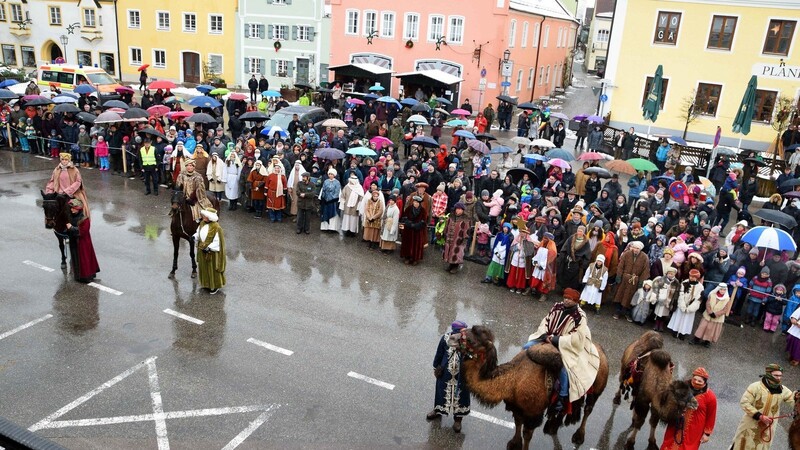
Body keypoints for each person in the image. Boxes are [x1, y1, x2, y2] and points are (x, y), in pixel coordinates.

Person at [523, 288, 601, 412]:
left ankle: (562, 396)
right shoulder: (556, 306)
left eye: (570, 299)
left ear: (576, 301)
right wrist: (544, 335)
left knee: (564, 369)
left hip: (564, 346)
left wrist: (555, 340)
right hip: (546, 338)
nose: (566, 300)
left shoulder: (579, 317)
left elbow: (577, 338)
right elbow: (545, 321)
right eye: (565, 297)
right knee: (526, 347)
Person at [731, 364, 799, 450]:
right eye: (776, 375)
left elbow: (793, 401)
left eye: (780, 376)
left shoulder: (783, 390)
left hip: (767, 429)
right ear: (768, 374)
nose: (779, 378)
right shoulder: (755, 387)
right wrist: (759, 416)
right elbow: (744, 403)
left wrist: (797, 397)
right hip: (749, 425)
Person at [426, 320, 471, 433]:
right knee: (441, 391)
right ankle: (438, 410)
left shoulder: (468, 342)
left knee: (461, 397)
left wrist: (466, 351)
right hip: (446, 373)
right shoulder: (445, 338)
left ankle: (458, 420)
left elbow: (473, 357)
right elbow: (439, 353)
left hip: (462, 375)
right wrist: (436, 367)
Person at [660, 367, 717, 450]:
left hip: (694, 430)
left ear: (704, 382)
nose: (696, 382)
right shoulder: (682, 387)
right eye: (695, 379)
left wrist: (707, 434)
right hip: (676, 424)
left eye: (699, 381)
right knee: (668, 444)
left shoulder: (710, 397)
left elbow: (711, 416)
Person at [46, 153, 90, 218]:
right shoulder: (56, 169)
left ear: (69, 160)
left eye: (66, 160)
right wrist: (49, 192)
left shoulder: (74, 170)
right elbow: (52, 181)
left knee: (79, 209)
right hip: (58, 193)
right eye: (63, 159)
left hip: (72, 193)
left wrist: (67, 191)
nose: (64, 161)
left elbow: (78, 182)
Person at [65, 199, 99, 283]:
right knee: (75, 258)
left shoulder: (84, 219)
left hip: (82, 243)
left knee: (84, 259)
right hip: (74, 242)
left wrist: (71, 228)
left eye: (73, 208)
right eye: (71, 208)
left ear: (78, 209)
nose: (72, 209)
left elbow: (82, 232)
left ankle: (86, 276)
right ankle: (78, 276)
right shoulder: (71, 217)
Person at [613, 241, 650, 321]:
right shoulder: (626, 254)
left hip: (635, 281)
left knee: (631, 297)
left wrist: (641, 281)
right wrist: (619, 275)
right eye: (634, 248)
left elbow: (645, 271)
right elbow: (620, 266)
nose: (635, 250)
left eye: (637, 248)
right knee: (620, 294)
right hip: (624, 279)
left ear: (640, 249)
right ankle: (617, 311)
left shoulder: (644, 257)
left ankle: (627, 313)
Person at [193, 208, 226, 294]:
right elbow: (199, 233)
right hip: (202, 250)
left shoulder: (216, 227)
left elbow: (217, 241)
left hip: (211, 252)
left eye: (205, 215)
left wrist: (209, 248)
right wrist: (194, 237)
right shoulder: (202, 223)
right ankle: (206, 284)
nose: (203, 216)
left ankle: (214, 286)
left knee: (212, 269)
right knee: (204, 268)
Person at [690, 283, 732, 347]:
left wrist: (716, 314)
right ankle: (696, 339)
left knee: (711, 330)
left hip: (717, 317)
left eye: (724, 290)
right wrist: (710, 312)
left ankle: (707, 341)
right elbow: (708, 303)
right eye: (721, 289)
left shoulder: (727, 299)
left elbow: (725, 309)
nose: (722, 291)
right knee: (702, 327)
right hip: (708, 314)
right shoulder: (712, 295)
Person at [668, 269, 703, 340]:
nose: (692, 278)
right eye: (691, 276)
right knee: (678, 317)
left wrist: (690, 308)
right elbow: (680, 294)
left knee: (687, 320)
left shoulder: (700, 287)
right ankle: (675, 330)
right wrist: (682, 305)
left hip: (690, 306)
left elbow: (698, 299)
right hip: (682, 304)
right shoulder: (684, 283)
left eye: (694, 277)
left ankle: (682, 333)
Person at [442, 202, 471, 273]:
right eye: (457, 209)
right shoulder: (451, 217)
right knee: (449, 251)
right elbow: (447, 225)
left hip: (458, 239)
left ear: (463, 210)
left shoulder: (466, 219)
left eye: (460, 209)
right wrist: (444, 233)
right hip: (449, 238)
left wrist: (464, 239)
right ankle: (450, 265)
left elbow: (467, 230)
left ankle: (455, 266)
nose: (458, 211)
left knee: (457, 253)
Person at [400, 195, 428, 265]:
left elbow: (423, 221)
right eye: (414, 202)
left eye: (417, 202)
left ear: (419, 203)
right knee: (407, 244)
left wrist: (415, 225)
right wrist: (409, 224)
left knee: (416, 245)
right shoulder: (409, 208)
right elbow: (404, 217)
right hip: (408, 230)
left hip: (417, 231)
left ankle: (415, 259)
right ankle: (407, 257)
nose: (415, 203)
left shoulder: (423, 211)